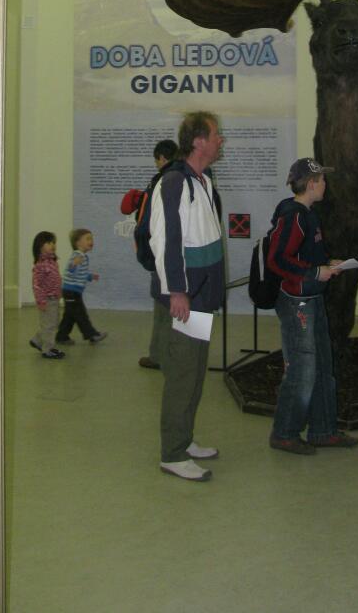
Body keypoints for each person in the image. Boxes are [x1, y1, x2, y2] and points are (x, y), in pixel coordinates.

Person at [149, 111, 225, 482]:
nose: (220, 140)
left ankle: (185, 438)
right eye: (216, 135)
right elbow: (165, 239)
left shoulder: (204, 180)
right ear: (198, 141)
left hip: (202, 296)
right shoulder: (174, 181)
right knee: (182, 374)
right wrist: (176, 291)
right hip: (185, 298)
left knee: (194, 371)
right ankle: (173, 453)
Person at [267, 157, 358, 455]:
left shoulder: (308, 214)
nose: (325, 184)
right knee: (302, 370)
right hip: (298, 302)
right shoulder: (293, 216)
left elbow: (302, 254)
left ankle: (323, 430)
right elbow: (277, 259)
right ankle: (284, 433)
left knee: (322, 367)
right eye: (321, 180)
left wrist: (327, 263)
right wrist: (314, 272)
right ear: (310, 184)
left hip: (312, 298)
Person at [135, 139, 179, 370]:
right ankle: (191, 355)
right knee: (194, 305)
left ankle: (160, 355)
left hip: (165, 255)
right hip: (196, 258)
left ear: (162, 158)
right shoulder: (197, 179)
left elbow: (147, 225)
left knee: (164, 306)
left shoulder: (161, 182)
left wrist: (147, 256)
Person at [56, 228, 107, 345]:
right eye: (88, 239)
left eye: (91, 239)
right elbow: (70, 269)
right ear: (78, 242)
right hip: (72, 292)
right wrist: (73, 264)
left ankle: (62, 336)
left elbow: (80, 273)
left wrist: (90, 276)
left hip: (71, 291)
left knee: (70, 316)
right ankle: (92, 335)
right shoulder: (78, 255)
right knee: (80, 314)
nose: (91, 241)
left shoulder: (82, 256)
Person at [29, 230, 65, 359]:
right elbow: (37, 285)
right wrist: (40, 301)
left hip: (54, 298)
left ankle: (37, 340)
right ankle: (48, 349)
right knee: (49, 325)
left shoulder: (52, 262)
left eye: (53, 242)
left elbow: (56, 279)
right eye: (49, 243)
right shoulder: (40, 265)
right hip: (47, 300)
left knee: (52, 323)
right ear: (40, 246)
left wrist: (59, 291)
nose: (53, 245)